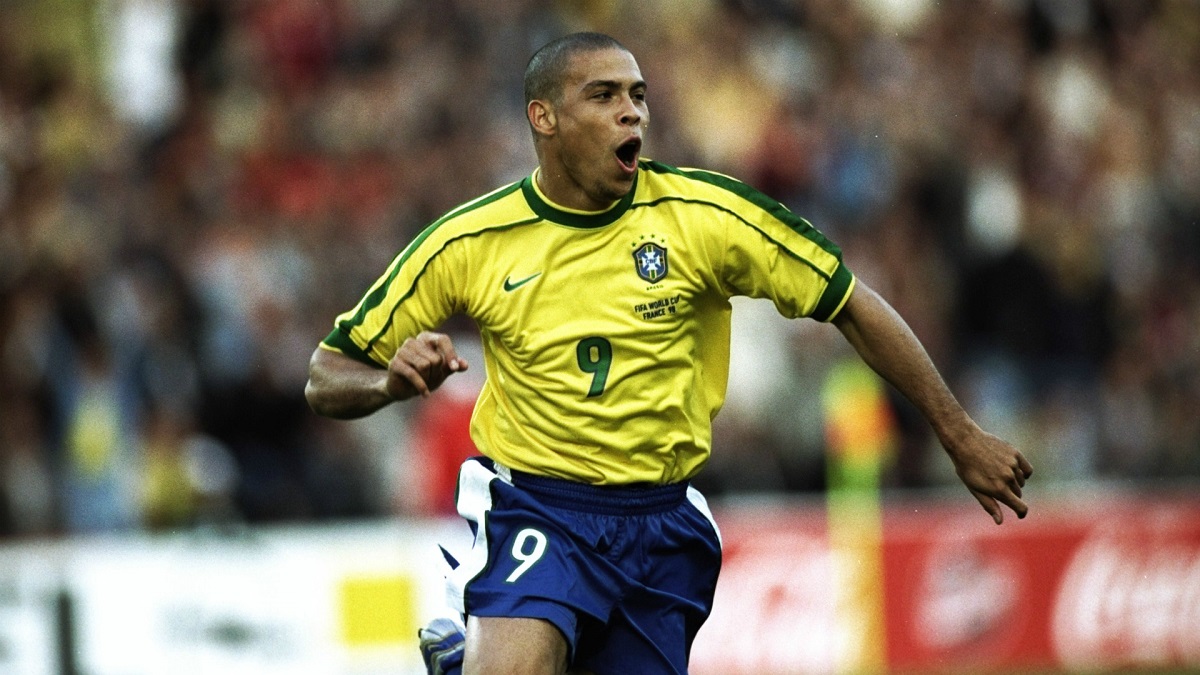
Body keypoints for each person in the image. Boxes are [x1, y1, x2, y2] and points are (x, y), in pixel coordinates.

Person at [305, 32, 1033, 675]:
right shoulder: (471, 241)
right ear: (544, 117)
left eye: (638, 95)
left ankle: (460, 659)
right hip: (539, 507)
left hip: (661, 524)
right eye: (604, 96)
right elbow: (326, 374)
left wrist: (959, 434)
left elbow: (850, 301)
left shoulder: (706, 217)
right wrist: (387, 384)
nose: (632, 113)